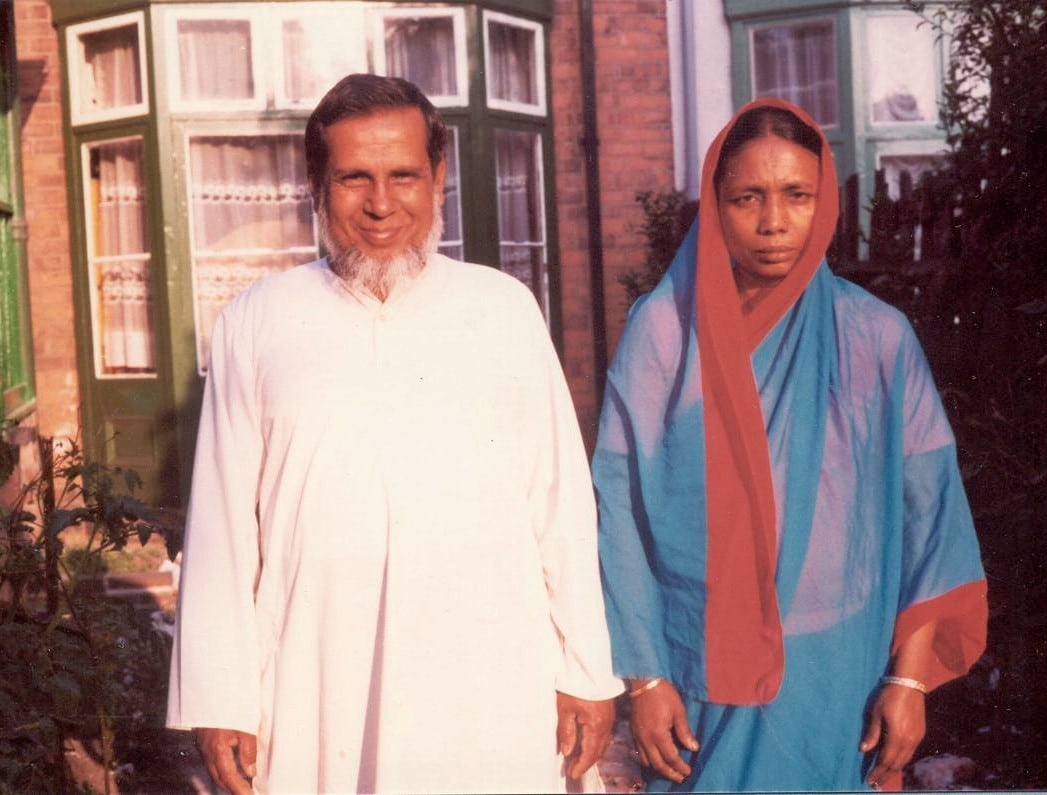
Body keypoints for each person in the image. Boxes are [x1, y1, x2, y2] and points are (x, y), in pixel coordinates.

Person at [167, 74, 621, 794]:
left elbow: (559, 506)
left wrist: (587, 669)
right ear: (316, 182)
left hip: (489, 672)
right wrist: (221, 698)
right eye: (354, 177)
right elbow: (224, 527)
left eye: (403, 175)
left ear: (437, 177)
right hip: (319, 677)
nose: (382, 204)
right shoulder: (256, 321)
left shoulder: (502, 311)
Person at [593, 97, 988, 792]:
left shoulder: (876, 337)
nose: (774, 222)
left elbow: (931, 514)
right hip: (699, 669)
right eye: (748, 197)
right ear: (715, 204)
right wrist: (645, 675)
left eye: (796, 195)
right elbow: (616, 512)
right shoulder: (662, 333)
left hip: (841, 671)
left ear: (824, 199)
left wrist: (909, 676)